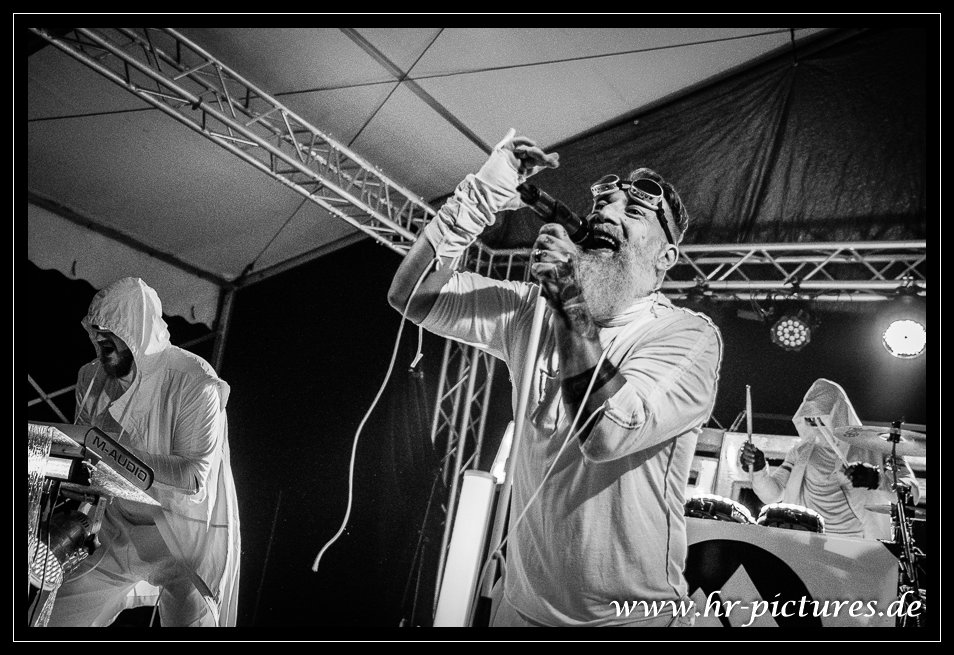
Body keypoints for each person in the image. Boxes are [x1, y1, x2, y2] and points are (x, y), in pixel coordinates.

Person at [388, 130, 722, 626]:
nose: (607, 214)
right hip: (518, 609)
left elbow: (607, 433)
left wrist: (567, 292)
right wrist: (480, 196)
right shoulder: (532, 309)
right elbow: (413, 296)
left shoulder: (688, 336)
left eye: (634, 212)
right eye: (603, 204)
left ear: (665, 258)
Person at [46, 277, 241, 627]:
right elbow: (82, 455)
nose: (100, 338)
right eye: (95, 331)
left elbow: (194, 477)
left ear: (137, 330)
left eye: (111, 330)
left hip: (184, 538)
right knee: (55, 618)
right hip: (116, 528)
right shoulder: (91, 377)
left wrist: (110, 453)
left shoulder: (194, 380)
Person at [739, 378, 920, 540]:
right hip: (809, 543)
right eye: (810, 420)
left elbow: (911, 493)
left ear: (839, 415)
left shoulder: (879, 448)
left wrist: (877, 480)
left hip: (861, 548)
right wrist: (759, 470)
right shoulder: (800, 452)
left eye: (821, 419)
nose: (816, 426)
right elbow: (773, 494)